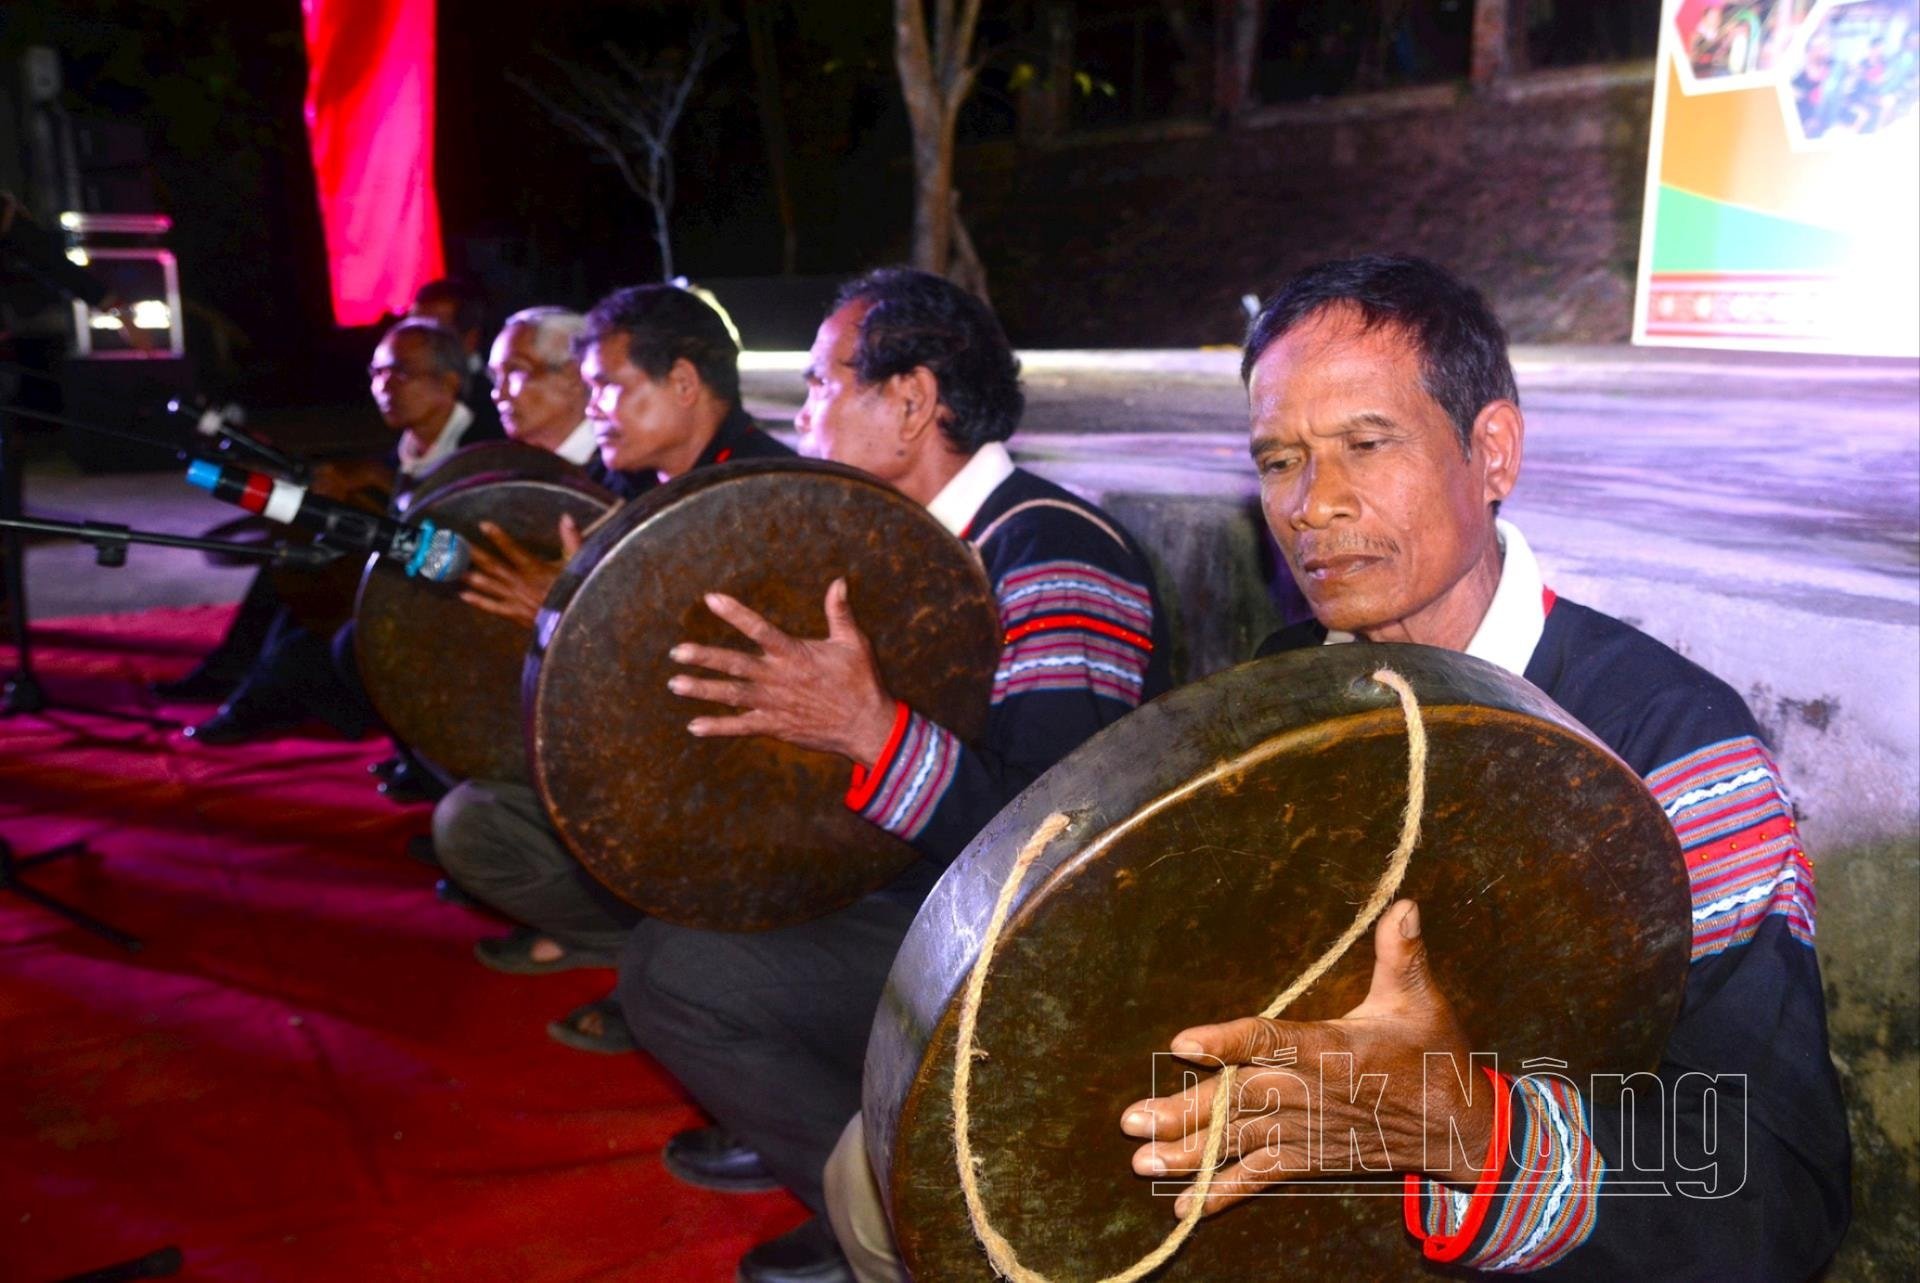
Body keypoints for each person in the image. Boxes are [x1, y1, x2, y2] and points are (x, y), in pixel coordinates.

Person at [823, 256, 1852, 1281]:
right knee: (884, 1185)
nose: (1313, 503)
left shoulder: (1671, 742)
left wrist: (1467, 1128)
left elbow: (1776, 1195)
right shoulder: (1285, 689)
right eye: (1279, 460)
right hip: (1285, 1184)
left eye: (1367, 443)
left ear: (1491, 450)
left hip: (1511, 1242)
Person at [616, 268, 1171, 1283]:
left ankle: (903, 1212)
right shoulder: (906, 543)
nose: (805, 408)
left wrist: (869, 732)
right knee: (696, 900)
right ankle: (851, 1159)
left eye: (826, 380)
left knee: (677, 976)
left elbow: (1061, 843)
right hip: (929, 901)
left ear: (911, 401)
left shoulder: (1047, 553)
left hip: (1027, 946)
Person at [432, 283, 790, 1051]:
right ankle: (629, 942)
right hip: (644, 776)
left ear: (685, 384)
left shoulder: (764, 497)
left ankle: (683, 969)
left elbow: (725, 715)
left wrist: (565, 610)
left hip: (738, 802)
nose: (593, 408)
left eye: (607, 387)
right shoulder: (637, 484)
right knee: (473, 817)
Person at [182, 319, 502, 746]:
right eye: (377, 372)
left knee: (309, 641)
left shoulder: (485, 446)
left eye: (400, 372)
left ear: (448, 381)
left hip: (458, 602)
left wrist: (374, 484)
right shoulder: (404, 449)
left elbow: (460, 536)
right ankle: (240, 681)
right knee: (293, 566)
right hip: (392, 587)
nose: (384, 386)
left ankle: (251, 698)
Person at [411, 277, 504, 442]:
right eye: (411, 330)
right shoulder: (403, 391)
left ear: (470, 339)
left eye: (431, 335)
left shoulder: (491, 407)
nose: (414, 343)